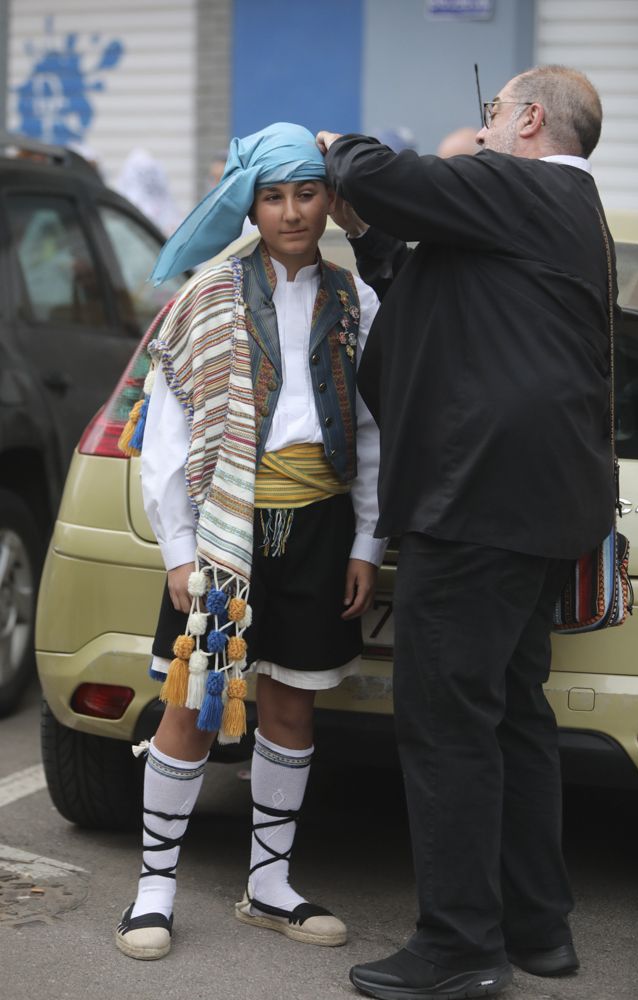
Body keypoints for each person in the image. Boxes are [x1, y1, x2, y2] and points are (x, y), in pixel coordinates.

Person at [316, 64, 615, 999]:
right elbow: (419, 281)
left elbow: (374, 173)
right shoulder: (547, 215)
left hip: (477, 502)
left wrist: (337, 152)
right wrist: (366, 237)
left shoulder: (530, 183)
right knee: (514, 716)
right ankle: (537, 928)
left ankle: (458, 949)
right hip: (532, 507)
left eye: (491, 117)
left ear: (528, 120)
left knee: (447, 723)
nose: (482, 131)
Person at [114, 122, 386, 961]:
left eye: (308, 193)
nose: (294, 211)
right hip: (227, 530)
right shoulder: (206, 295)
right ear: (251, 205)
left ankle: (269, 883)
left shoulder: (356, 299)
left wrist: (367, 541)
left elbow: (372, 430)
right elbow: (166, 435)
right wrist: (179, 550)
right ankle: (152, 891)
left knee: (292, 702)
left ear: (330, 201)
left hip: (319, 524)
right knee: (194, 705)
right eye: (275, 196)